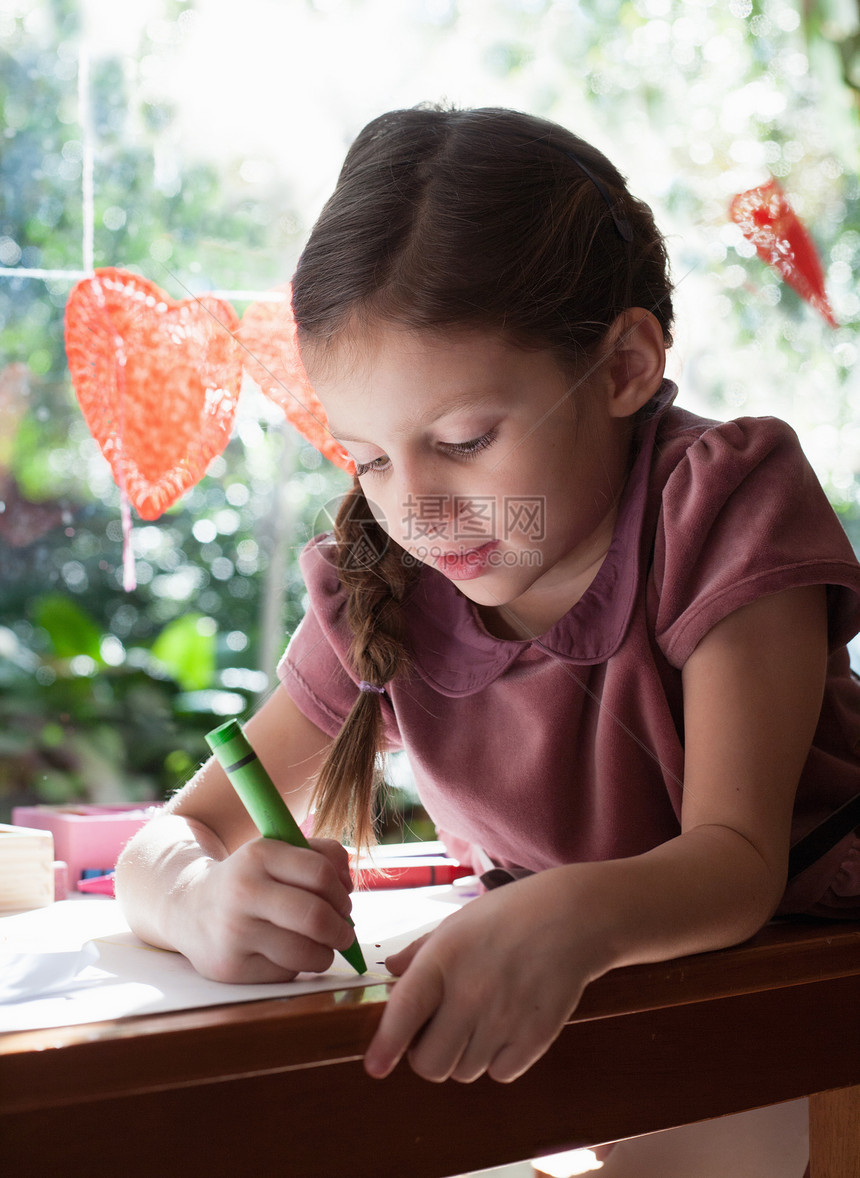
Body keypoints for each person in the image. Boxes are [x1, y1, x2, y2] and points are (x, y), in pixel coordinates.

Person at [116, 105, 860, 1097]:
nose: (414, 508)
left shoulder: (717, 504)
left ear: (624, 366)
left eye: (463, 441)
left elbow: (732, 863)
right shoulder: (386, 576)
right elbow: (170, 841)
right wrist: (202, 901)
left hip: (803, 1003)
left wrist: (556, 914)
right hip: (601, 1023)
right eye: (368, 459)